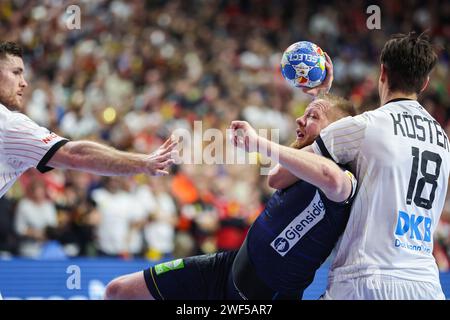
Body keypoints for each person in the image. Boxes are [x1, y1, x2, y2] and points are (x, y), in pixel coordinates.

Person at [104, 69, 358, 299]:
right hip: (227, 268)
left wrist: (257, 142)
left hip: (264, 297)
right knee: (119, 291)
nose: (299, 121)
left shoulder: (343, 178)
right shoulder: (298, 169)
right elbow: (275, 178)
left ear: (336, 132)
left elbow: (331, 178)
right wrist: (322, 97)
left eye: (311, 116)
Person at [307, 32, 446, 300]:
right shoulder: (442, 139)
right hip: (426, 284)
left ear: (382, 72)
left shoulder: (367, 125)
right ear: (425, 83)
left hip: (366, 280)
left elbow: (304, 159)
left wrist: (319, 97)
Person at [0, 41, 177, 200]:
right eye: (16, 73)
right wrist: (144, 163)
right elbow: (75, 155)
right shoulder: (9, 125)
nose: (24, 83)